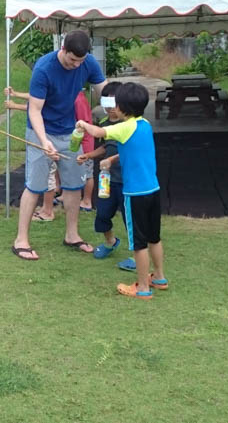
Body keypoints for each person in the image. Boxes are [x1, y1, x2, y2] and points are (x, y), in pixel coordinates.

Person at [10, 30, 106, 261]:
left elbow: (105, 91)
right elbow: (34, 110)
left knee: (74, 185)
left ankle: (72, 235)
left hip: (70, 131)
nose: (76, 65)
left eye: (80, 61)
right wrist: (44, 142)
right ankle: (21, 240)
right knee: (35, 185)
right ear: (63, 49)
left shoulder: (87, 63)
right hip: (40, 131)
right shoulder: (44, 68)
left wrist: (122, 115)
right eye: (72, 60)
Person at [76, 82, 168, 300]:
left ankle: (143, 287)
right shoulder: (144, 124)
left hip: (135, 194)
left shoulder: (125, 127)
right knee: (154, 237)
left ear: (123, 107)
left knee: (139, 244)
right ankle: (160, 277)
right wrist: (113, 158)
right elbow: (135, 151)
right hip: (153, 190)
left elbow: (99, 131)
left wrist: (82, 124)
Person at [76, 82, 127, 260]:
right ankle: (110, 242)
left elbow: (131, 150)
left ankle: (137, 255)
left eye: (113, 104)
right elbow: (106, 147)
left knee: (131, 218)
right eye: (107, 103)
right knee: (102, 214)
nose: (110, 108)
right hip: (107, 179)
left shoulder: (128, 124)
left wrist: (112, 160)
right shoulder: (104, 124)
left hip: (127, 179)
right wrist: (88, 155)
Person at [5, 86, 57, 221]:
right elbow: (34, 97)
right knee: (46, 172)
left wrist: (14, 105)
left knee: (48, 173)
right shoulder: (46, 84)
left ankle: (48, 211)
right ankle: (46, 208)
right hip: (43, 136)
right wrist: (15, 93)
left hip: (48, 135)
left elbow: (35, 107)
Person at [74, 88, 96, 211]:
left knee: (87, 173)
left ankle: (87, 200)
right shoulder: (73, 97)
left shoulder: (79, 100)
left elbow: (84, 124)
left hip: (84, 143)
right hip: (76, 142)